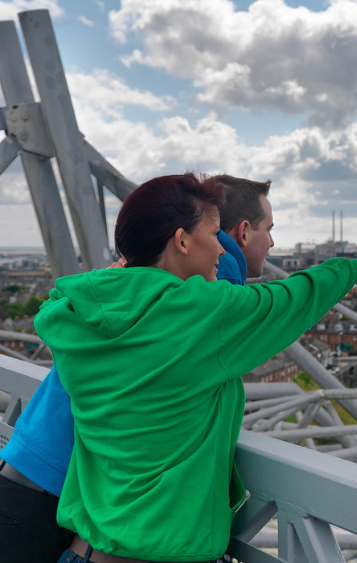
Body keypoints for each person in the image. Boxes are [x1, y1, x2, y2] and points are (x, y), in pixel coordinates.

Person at [0, 174, 275, 563]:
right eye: (269, 229)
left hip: (30, 469)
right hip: (60, 489)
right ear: (243, 232)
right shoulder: (215, 275)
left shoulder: (137, 269)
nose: (273, 244)